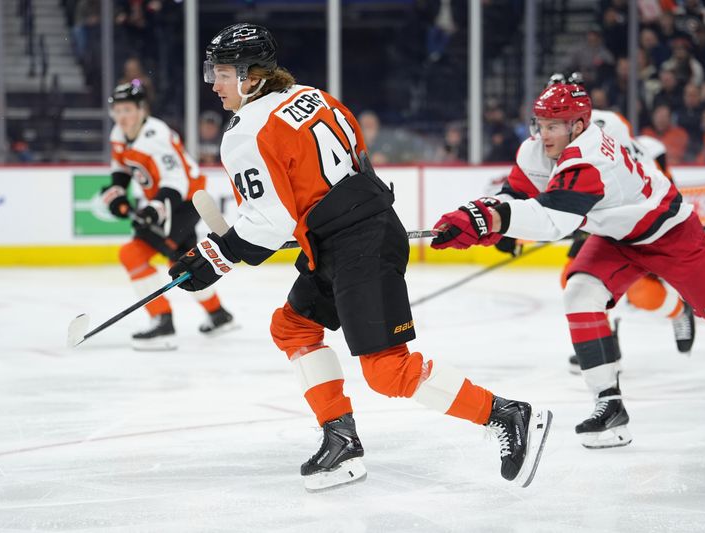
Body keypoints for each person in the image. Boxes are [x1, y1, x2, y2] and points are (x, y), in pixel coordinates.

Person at [167, 23, 552, 491]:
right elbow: (349, 166)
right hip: (358, 232)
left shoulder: (246, 131)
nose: (213, 84)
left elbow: (269, 221)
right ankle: (341, 440)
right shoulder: (314, 97)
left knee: (388, 371)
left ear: (251, 77)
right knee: (292, 327)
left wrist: (212, 257)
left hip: (356, 246)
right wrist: (315, 225)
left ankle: (506, 414)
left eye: (223, 74)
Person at [431, 83, 705, 449]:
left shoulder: (590, 158)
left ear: (579, 125)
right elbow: (515, 194)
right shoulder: (537, 150)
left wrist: (491, 221)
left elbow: (552, 221)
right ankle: (609, 406)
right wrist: (484, 214)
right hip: (616, 236)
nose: (544, 134)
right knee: (579, 292)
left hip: (671, 235)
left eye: (554, 126)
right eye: (541, 124)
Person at [548, 73, 695, 375]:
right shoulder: (550, 131)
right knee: (573, 280)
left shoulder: (606, 124)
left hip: (635, 211)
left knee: (639, 292)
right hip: (600, 214)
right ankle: (607, 340)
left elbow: (618, 175)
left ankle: (679, 310)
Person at [101, 80, 237, 350]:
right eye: (117, 110)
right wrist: (118, 191)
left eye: (127, 110)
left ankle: (162, 321)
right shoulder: (119, 133)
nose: (122, 117)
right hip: (172, 201)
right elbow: (122, 166)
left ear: (141, 109)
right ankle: (218, 314)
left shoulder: (156, 136)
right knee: (182, 262)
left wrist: (156, 208)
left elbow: (177, 181)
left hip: (184, 201)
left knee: (133, 254)